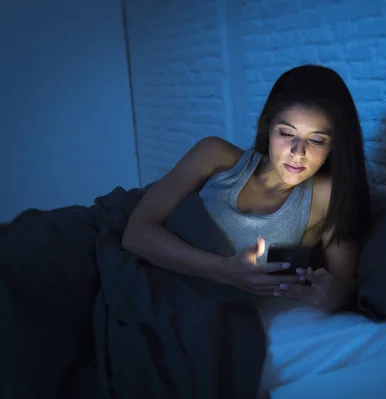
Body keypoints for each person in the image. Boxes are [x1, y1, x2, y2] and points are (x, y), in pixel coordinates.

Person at [122, 64, 371, 312]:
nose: (298, 153)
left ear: (335, 144)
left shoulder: (325, 196)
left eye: (316, 140)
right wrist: (223, 270)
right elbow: (135, 233)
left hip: (191, 307)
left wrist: (335, 296)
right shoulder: (214, 155)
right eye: (286, 133)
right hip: (141, 272)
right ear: (268, 126)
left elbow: (346, 282)